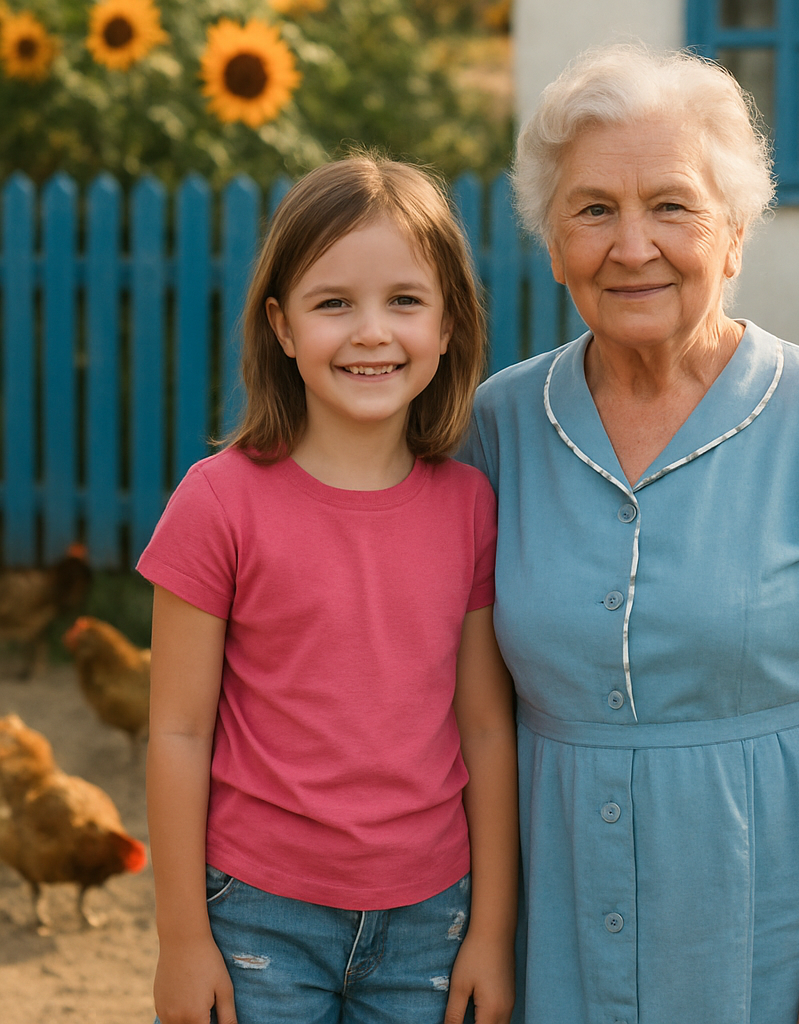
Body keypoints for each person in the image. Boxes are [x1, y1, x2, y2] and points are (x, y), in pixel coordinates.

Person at [458, 45, 799, 1024]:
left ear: (733, 235)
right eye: (594, 209)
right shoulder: (499, 423)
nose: (631, 245)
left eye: (671, 206)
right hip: (559, 930)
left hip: (777, 936)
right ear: (552, 244)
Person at [141, 155, 518, 1024]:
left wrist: (492, 933)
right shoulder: (217, 502)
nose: (371, 332)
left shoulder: (471, 508)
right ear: (281, 325)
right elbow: (177, 731)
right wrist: (182, 939)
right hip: (255, 912)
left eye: (405, 300)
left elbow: (486, 730)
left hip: (432, 918)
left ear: (450, 323)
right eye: (334, 303)